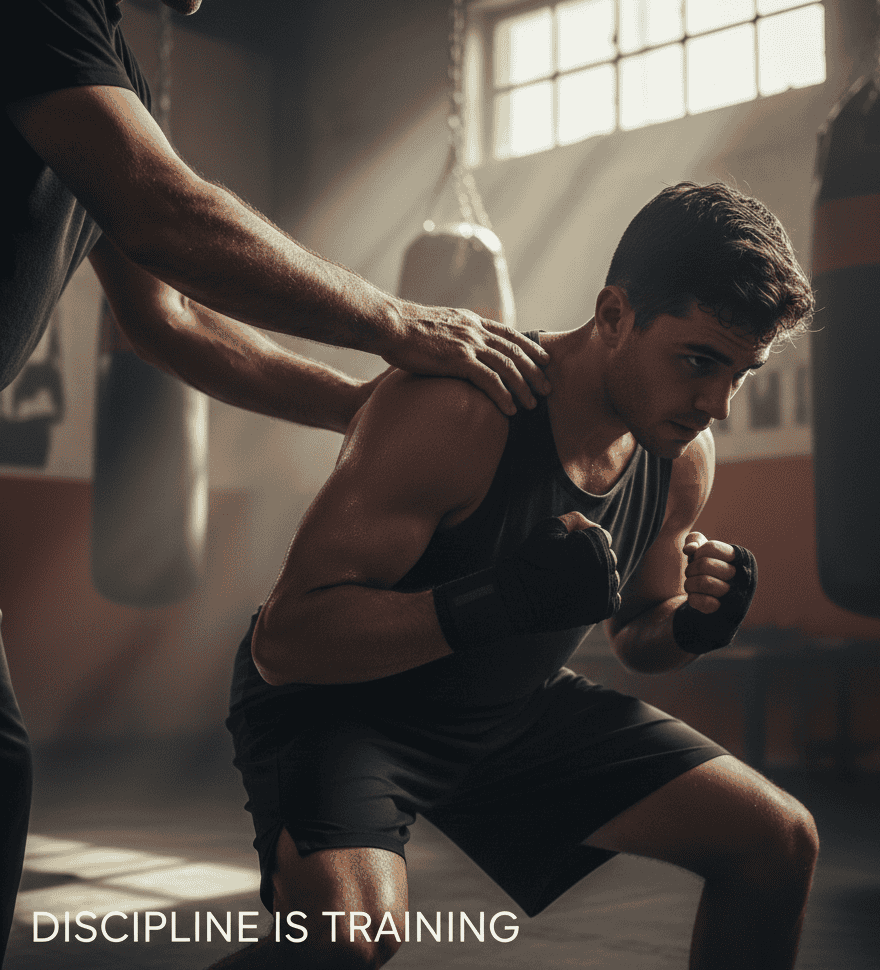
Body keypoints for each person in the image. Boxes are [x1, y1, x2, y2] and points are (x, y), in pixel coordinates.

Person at [1, 0, 549, 962]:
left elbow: (170, 319)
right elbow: (165, 209)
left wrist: (361, 411)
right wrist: (395, 321)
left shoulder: (108, 63)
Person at [216, 182, 819, 970]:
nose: (718, 403)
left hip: (505, 706)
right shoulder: (460, 410)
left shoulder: (679, 457)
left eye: (741, 372)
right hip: (345, 709)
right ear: (614, 315)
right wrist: (493, 602)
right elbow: (286, 642)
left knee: (777, 839)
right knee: (345, 940)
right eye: (700, 361)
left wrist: (694, 624)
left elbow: (637, 635)